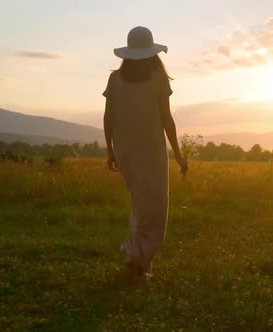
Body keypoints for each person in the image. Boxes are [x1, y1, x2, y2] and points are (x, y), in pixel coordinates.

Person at [103, 26, 188, 280]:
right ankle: (140, 263)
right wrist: (178, 154)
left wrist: (110, 149)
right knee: (155, 209)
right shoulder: (158, 80)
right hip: (151, 151)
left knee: (141, 206)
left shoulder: (115, 80)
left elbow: (109, 117)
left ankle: (137, 261)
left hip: (126, 149)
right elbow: (166, 120)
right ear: (152, 53)